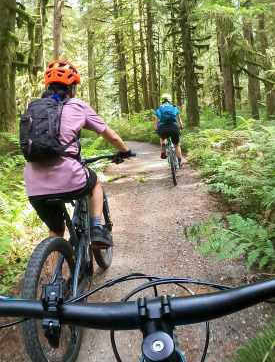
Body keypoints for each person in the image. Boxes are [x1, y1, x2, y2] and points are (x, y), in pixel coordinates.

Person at [23, 60, 133, 248]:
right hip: (69, 177)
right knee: (95, 182)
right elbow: (111, 135)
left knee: (56, 231)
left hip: (34, 186)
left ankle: (53, 275)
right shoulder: (77, 106)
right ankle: (97, 228)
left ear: (48, 86)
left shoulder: (34, 109)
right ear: (72, 87)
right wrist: (125, 151)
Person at [154, 93, 184, 167]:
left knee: (162, 137)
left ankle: (163, 146)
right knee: (176, 145)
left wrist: (156, 129)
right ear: (170, 100)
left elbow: (156, 122)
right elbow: (179, 120)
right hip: (173, 127)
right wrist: (181, 126)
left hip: (163, 128)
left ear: (162, 101)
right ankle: (180, 161)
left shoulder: (159, 109)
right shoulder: (174, 107)